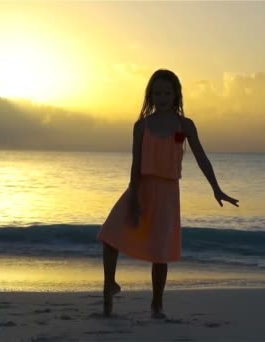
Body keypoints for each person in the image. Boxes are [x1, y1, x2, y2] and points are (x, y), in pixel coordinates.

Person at [96, 69, 239, 319]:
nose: (162, 97)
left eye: (167, 92)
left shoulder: (183, 125)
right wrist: (134, 197)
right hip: (141, 187)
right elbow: (136, 163)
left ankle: (157, 304)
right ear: (150, 95)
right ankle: (109, 285)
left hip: (168, 192)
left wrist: (216, 188)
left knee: (160, 251)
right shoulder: (142, 126)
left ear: (176, 95)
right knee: (110, 235)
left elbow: (201, 157)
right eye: (157, 92)